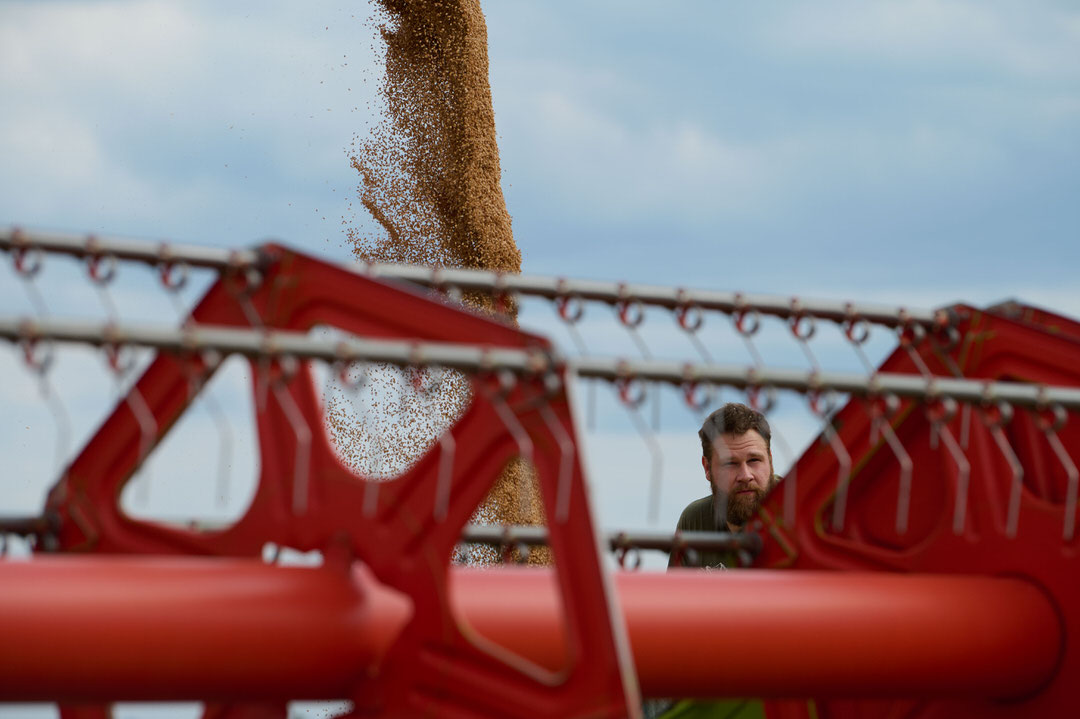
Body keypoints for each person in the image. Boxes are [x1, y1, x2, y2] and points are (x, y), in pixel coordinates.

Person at [668, 402, 778, 569]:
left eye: (754, 460)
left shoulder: (799, 513)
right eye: (730, 464)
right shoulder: (694, 522)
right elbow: (675, 594)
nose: (745, 476)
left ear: (770, 460)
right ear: (707, 468)